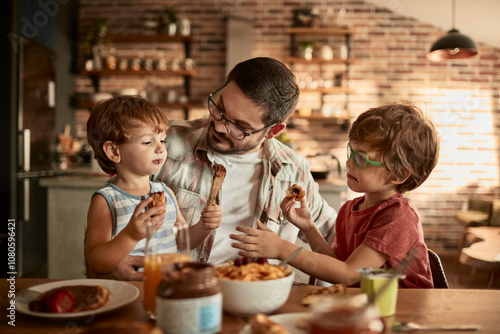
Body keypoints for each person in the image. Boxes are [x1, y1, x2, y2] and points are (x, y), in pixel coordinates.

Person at [231, 103, 439, 288]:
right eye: (351, 152)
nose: (349, 163)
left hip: (406, 313)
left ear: (398, 174)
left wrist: (282, 249)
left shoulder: (399, 216)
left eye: (361, 158)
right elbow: (338, 265)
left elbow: (348, 275)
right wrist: (309, 228)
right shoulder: (350, 209)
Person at [85, 96, 222, 276]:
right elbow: (96, 261)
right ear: (114, 151)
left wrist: (204, 227)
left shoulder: (165, 192)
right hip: (132, 291)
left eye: (162, 140)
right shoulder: (106, 201)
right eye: (148, 142)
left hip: (169, 286)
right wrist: (130, 236)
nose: (160, 149)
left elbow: (182, 240)